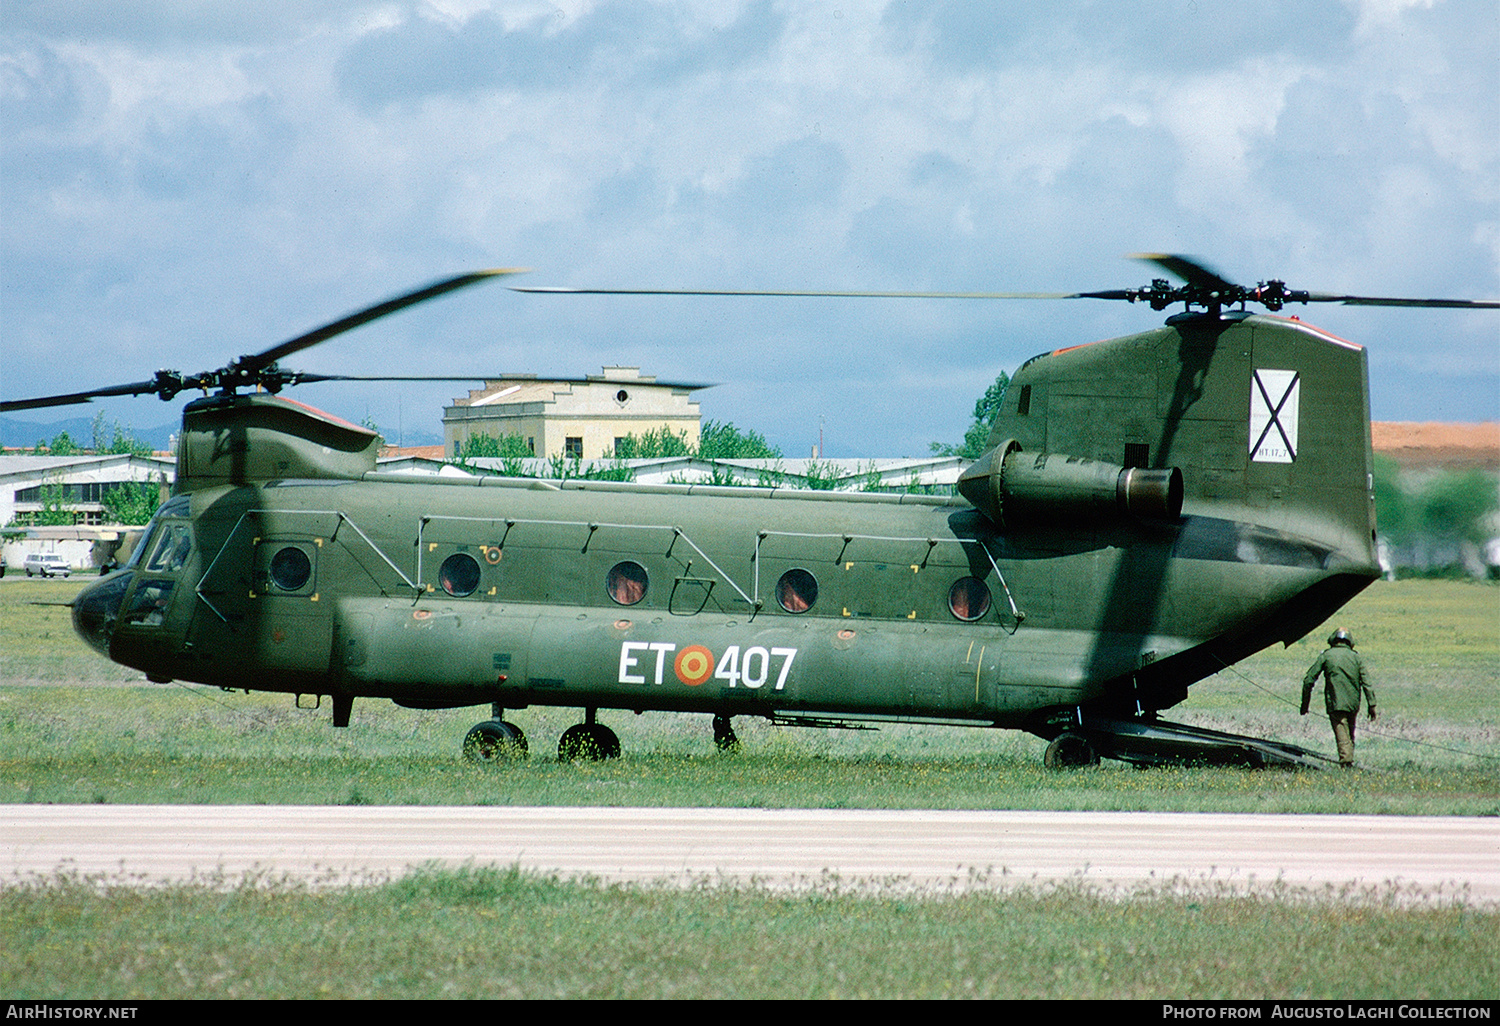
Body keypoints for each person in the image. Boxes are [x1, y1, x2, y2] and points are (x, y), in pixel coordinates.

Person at [1301, 628, 1377, 767]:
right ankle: (1348, 761)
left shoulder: (1326, 656)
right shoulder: (1356, 657)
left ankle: (1346, 762)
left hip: (1335, 702)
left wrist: (1305, 704)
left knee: (1342, 733)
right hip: (1353, 703)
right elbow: (1367, 683)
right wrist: (1372, 705)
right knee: (1349, 734)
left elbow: (1308, 681)